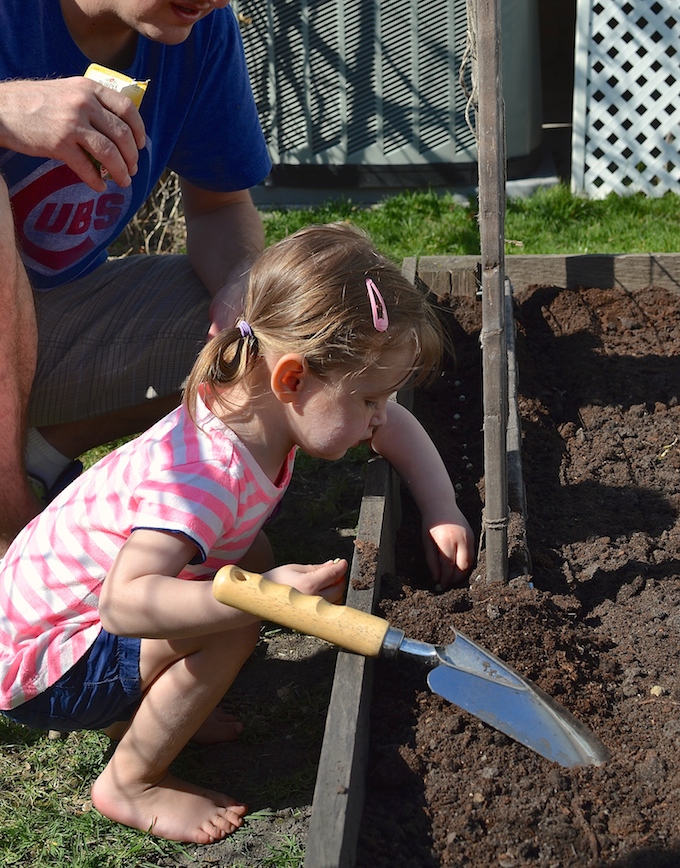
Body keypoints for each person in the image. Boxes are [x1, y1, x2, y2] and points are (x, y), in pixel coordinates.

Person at [0, 222, 475, 845]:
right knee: (238, 619)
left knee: (249, 554)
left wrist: (442, 506)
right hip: (41, 662)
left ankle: (151, 706)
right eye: (368, 401)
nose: (380, 416)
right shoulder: (207, 480)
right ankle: (130, 780)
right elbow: (123, 602)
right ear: (293, 380)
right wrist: (259, 591)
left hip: (59, 618)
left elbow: (393, 427)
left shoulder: (251, 405)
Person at [0, 0, 272, 556]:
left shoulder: (203, 29)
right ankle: (12, 528)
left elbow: (221, 209)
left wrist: (241, 286)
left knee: (270, 326)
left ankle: (37, 455)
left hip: (50, 329)